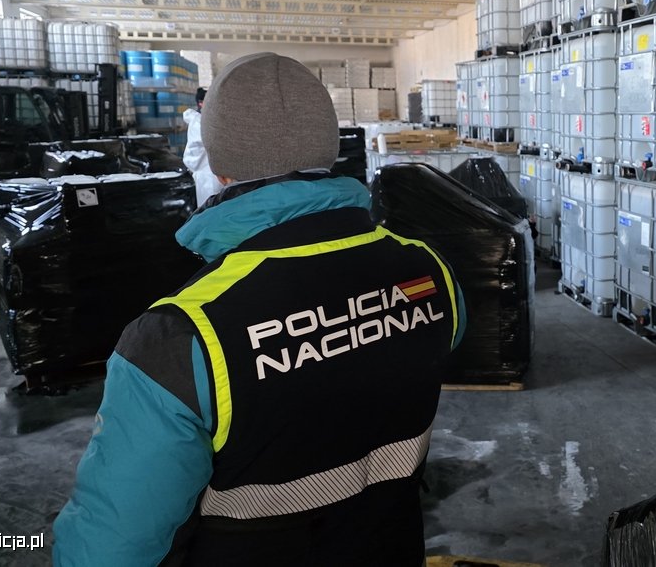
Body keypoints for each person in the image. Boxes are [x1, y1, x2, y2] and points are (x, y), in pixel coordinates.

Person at [53, 52, 466, 566]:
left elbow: (112, 547)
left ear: (219, 167)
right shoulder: (430, 272)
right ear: (328, 149)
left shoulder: (182, 336)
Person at [182, 86, 223, 207]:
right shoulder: (198, 122)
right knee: (210, 206)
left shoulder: (208, 120)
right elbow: (212, 140)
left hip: (213, 173)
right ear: (201, 103)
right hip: (207, 175)